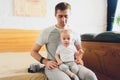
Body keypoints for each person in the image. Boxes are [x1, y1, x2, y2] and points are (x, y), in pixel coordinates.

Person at [31, 2, 98, 80]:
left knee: (91, 76)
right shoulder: (46, 32)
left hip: (72, 64)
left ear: (70, 16)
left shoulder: (75, 32)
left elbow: (79, 50)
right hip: (54, 66)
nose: (63, 19)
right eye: (60, 16)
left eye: (66, 16)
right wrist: (46, 62)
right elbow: (33, 51)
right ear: (55, 15)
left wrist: (79, 59)